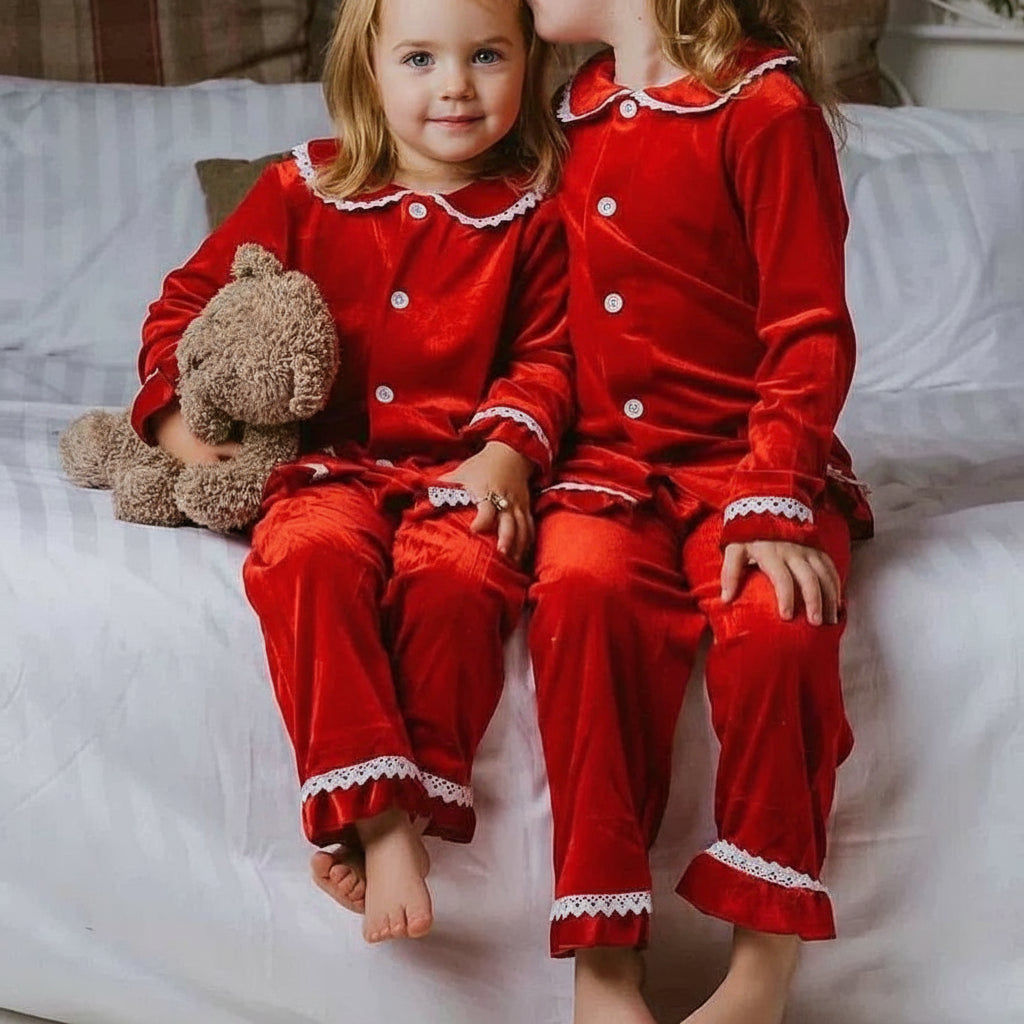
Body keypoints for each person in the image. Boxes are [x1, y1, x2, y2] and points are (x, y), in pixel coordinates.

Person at [130, 0, 571, 948]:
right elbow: (190, 306)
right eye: (421, 57)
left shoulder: (537, 206)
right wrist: (174, 414)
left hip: (459, 475)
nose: (454, 84)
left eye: (486, 55)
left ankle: (399, 817)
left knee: (461, 579)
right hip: (325, 472)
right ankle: (378, 819)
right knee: (306, 560)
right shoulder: (305, 187)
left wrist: (507, 448)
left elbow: (554, 353)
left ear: (529, 65)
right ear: (371, 67)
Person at [524, 1, 874, 1021]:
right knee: (577, 597)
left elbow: (808, 329)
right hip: (606, 472)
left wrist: (773, 495)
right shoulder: (574, 108)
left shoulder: (764, 112)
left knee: (780, 632)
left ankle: (760, 972)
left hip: (749, 467)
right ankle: (604, 964)